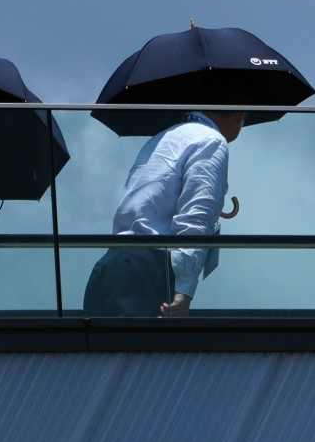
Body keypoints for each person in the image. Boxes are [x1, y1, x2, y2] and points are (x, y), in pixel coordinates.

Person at [84, 109, 245, 317]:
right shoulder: (212, 141)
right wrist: (184, 292)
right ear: (239, 115)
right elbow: (196, 218)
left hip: (111, 263)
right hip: (149, 269)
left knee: (99, 347)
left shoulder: (162, 138)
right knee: (143, 348)